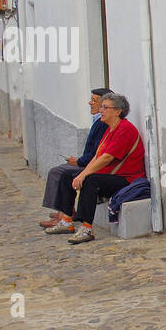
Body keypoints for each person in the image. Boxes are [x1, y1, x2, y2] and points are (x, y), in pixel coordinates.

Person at [50, 92, 146, 245]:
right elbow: (97, 155)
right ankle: (67, 220)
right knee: (67, 175)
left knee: (90, 180)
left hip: (127, 179)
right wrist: (82, 173)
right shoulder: (110, 129)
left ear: (117, 111)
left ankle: (87, 228)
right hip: (111, 175)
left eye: (105, 107)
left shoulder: (125, 129)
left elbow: (107, 157)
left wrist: (84, 175)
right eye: (101, 106)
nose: (101, 110)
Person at [38, 88, 112, 230]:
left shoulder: (103, 124)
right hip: (89, 162)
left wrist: (78, 162)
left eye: (94, 101)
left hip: (93, 166)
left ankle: (65, 215)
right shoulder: (99, 121)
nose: (90, 103)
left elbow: (99, 154)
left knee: (60, 172)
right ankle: (65, 212)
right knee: (62, 172)